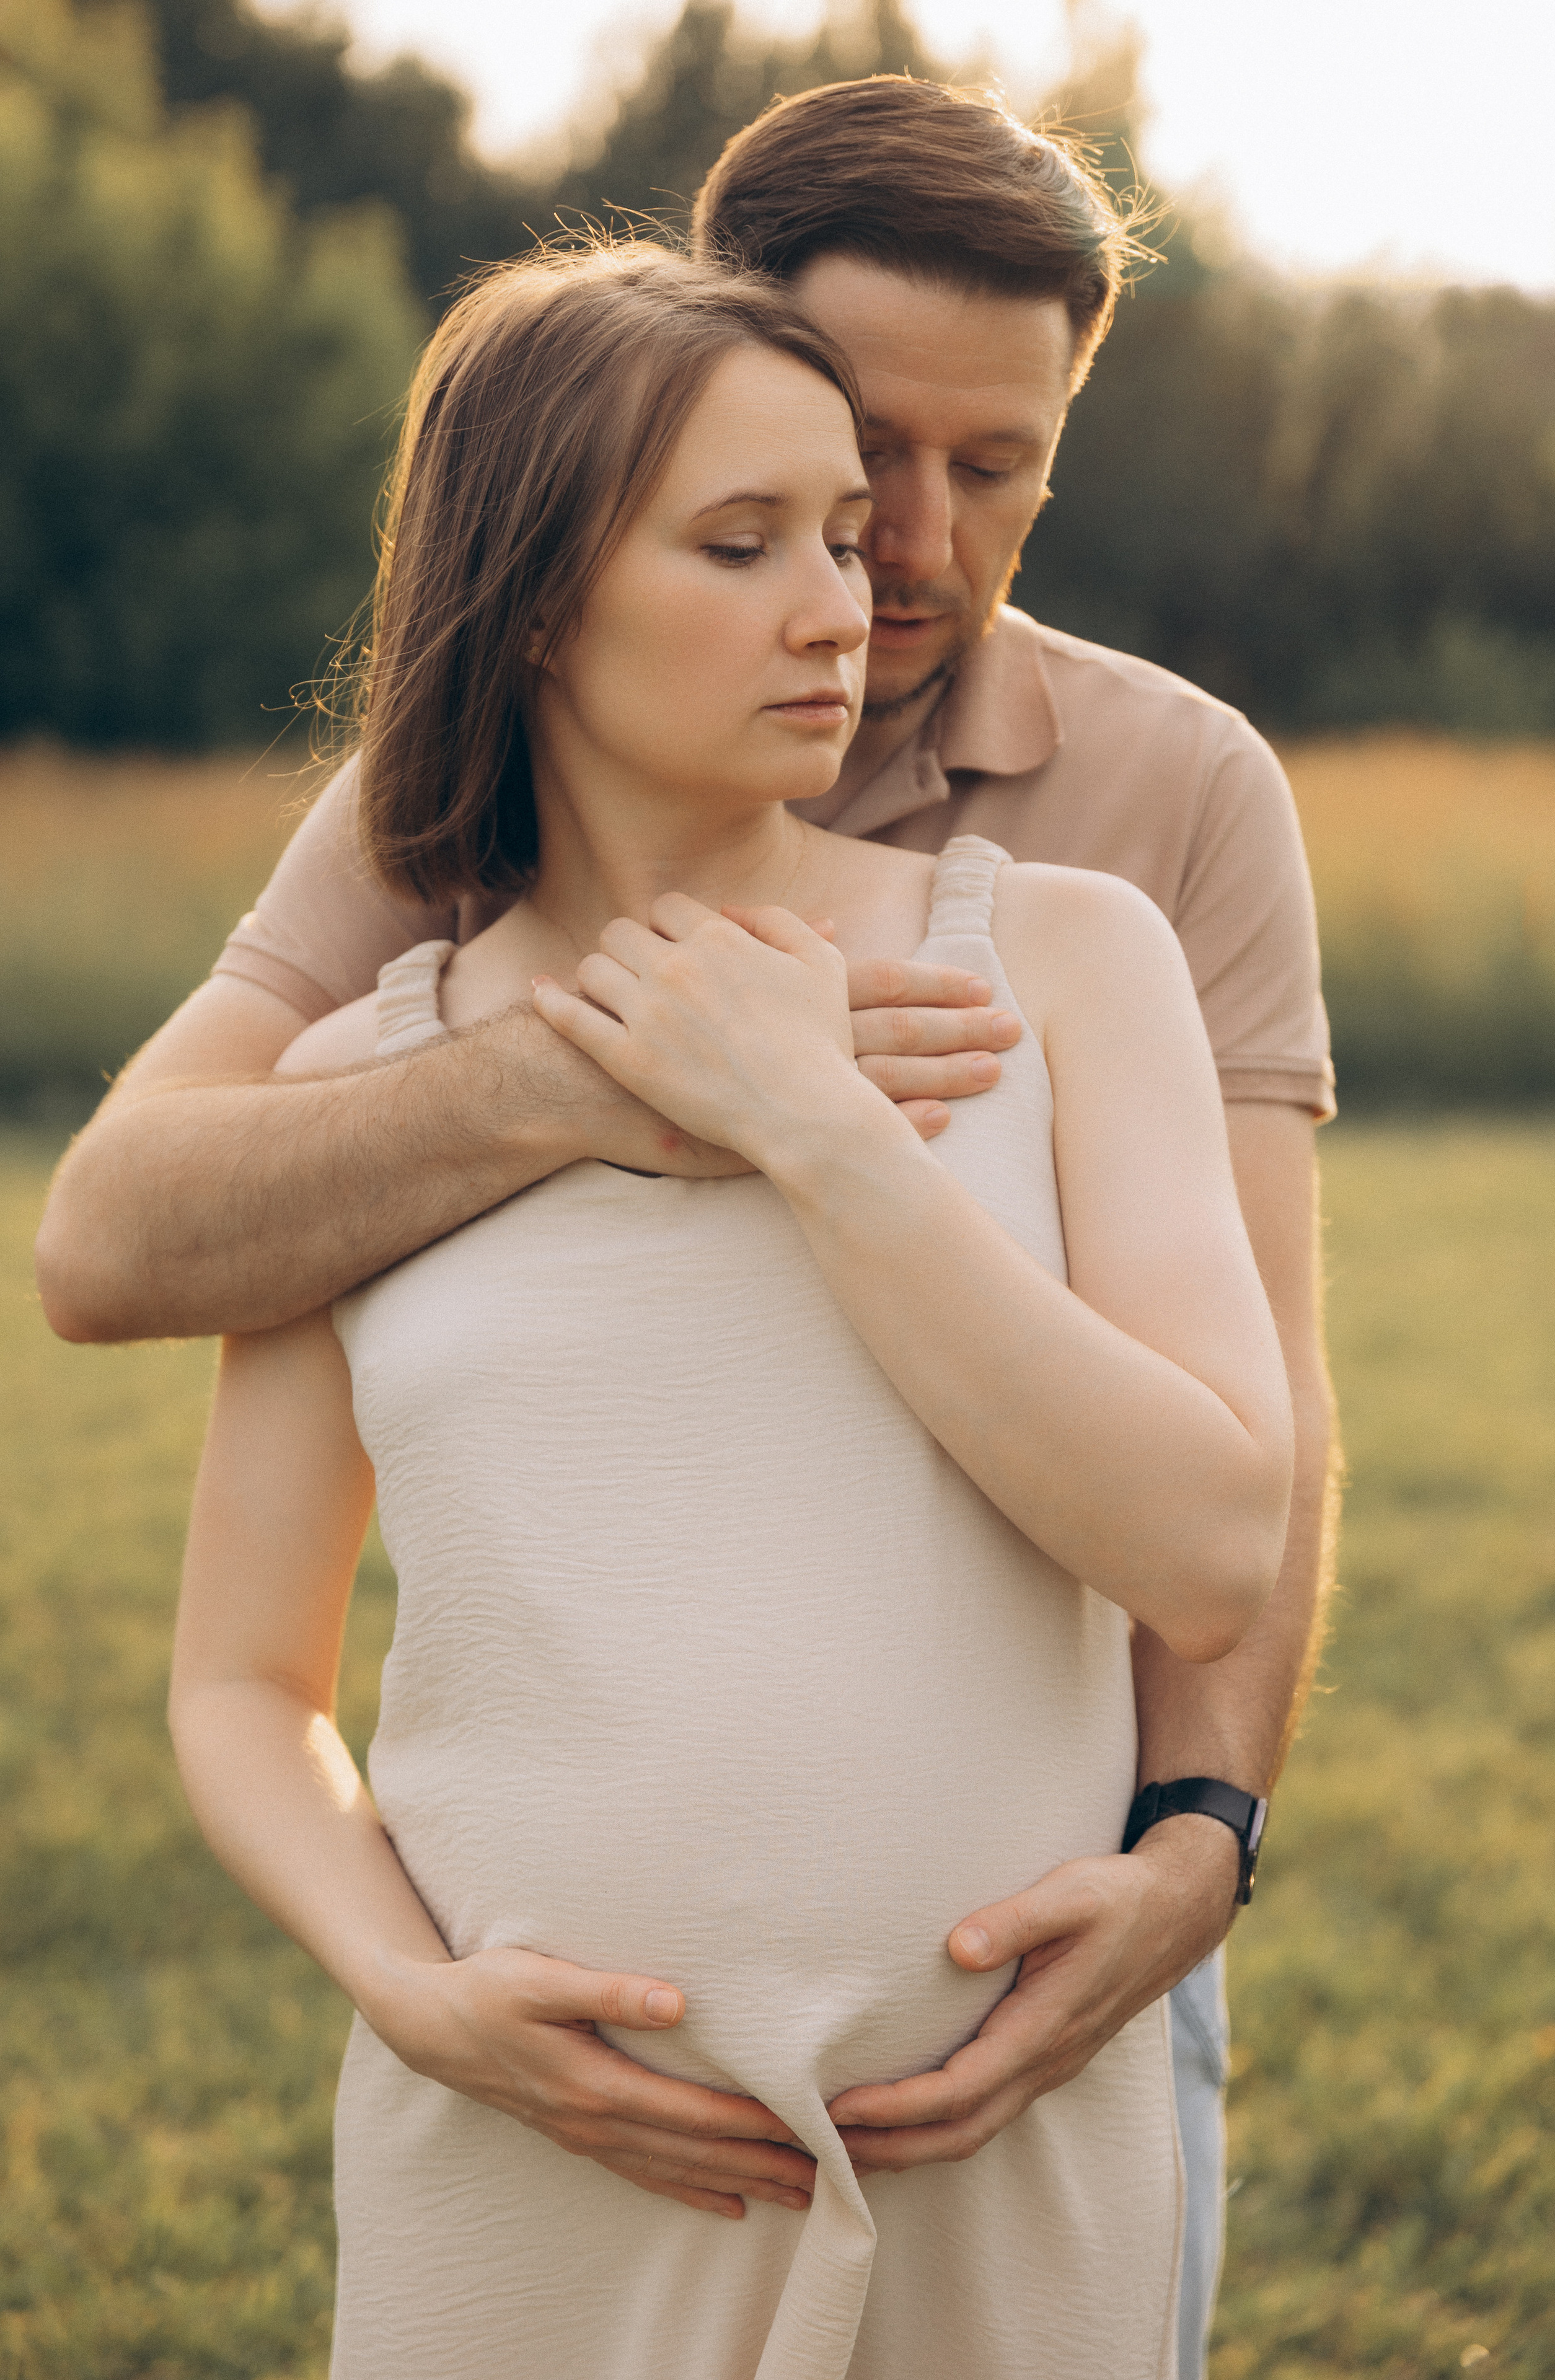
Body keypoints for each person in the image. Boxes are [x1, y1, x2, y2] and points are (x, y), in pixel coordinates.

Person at [35, 76, 1337, 2378]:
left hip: (1015, 2045)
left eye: (949, 487)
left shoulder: (1114, 894)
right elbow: (182, 1449)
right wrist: (409, 1985)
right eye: (779, 524)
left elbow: (1234, 1491)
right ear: (535, 596)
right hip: (543, 2142)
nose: (880, 575)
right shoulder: (383, 1000)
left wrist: (1201, 1834)